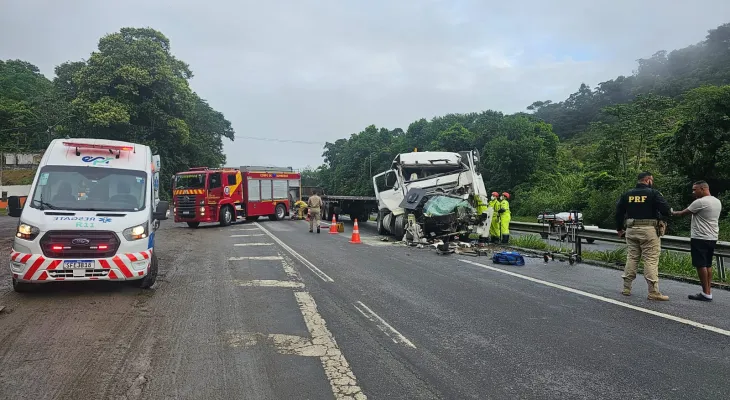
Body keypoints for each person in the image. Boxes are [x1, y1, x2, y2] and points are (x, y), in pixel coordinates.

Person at [615, 171, 672, 300]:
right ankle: (653, 292)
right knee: (650, 259)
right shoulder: (653, 193)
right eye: (651, 180)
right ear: (647, 180)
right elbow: (666, 210)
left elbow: (618, 212)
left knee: (632, 257)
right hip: (649, 230)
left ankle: (626, 288)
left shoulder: (627, 194)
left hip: (631, 229)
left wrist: (619, 229)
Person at [672, 180, 722, 302]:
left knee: (700, 264)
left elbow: (682, 213)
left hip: (700, 237)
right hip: (712, 237)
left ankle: (705, 293)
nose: (693, 192)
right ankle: (708, 291)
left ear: (703, 189)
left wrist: (672, 212)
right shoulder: (716, 201)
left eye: (695, 189)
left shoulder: (700, 202)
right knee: (708, 264)